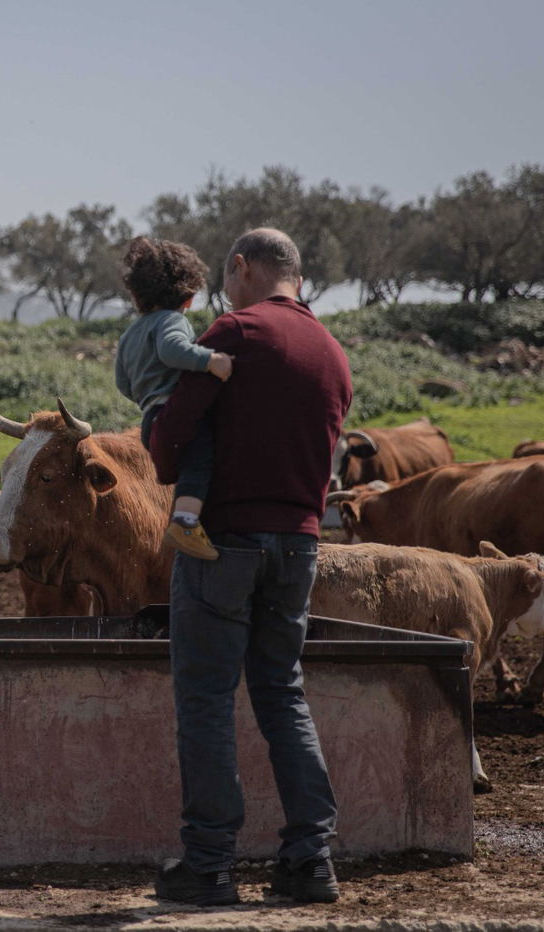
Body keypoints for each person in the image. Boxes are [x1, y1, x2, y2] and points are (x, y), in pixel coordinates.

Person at [147, 228, 353, 907]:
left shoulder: (235, 331)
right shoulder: (333, 354)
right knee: (282, 691)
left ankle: (208, 865)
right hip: (299, 546)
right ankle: (309, 860)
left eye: (226, 277)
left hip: (225, 543)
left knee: (205, 697)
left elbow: (178, 429)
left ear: (241, 268)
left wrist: (160, 446)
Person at [113, 237, 233, 560]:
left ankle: (183, 517)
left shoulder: (129, 335)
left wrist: (144, 393)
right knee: (200, 461)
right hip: (175, 413)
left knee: (184, 472)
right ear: (188, 296)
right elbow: (172, 349)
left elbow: (122, 383)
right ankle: (186, 523)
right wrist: (210, 360)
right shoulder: (172, 321)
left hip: (149, 419)